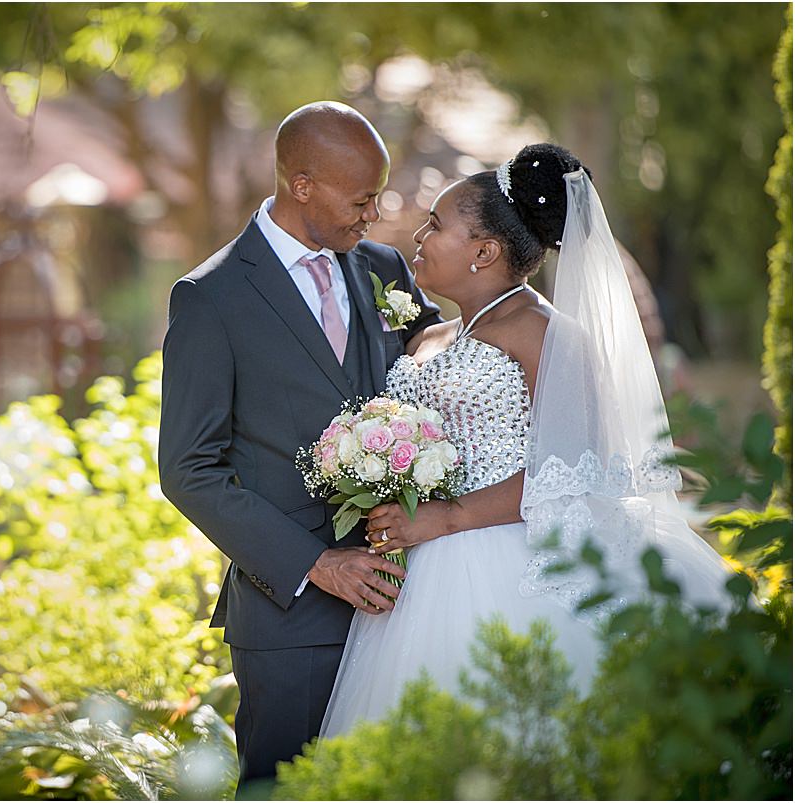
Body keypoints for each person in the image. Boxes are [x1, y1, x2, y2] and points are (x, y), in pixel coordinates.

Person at [319, 143, 735, 738]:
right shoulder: (430, 335)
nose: (418, 236)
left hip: (510, 555)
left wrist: (445, 518)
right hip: (417, 566)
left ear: (484, 252)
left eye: (436, 225)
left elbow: (570, 472)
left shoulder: (548, 336)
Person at [158, 101, 441, 793]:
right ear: (302, 184)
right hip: (291, 625)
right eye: (363, 197)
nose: (374, 213)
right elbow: (188, 470)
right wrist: (316, 564)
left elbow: (448, 363)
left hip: (411, 604)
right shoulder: (211, 297)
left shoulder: (382, 268)